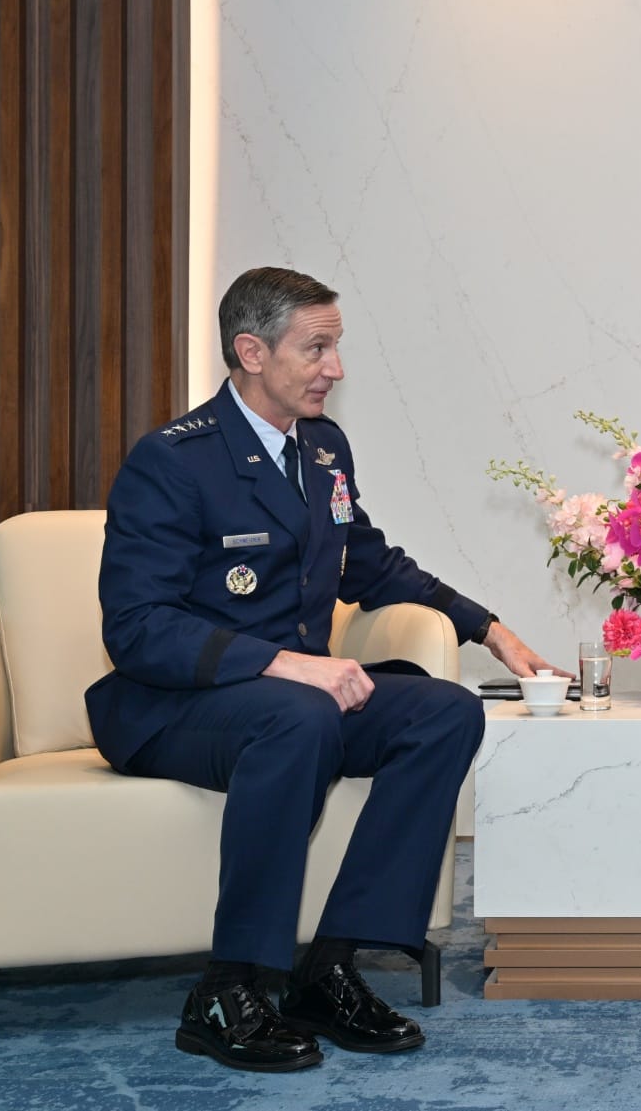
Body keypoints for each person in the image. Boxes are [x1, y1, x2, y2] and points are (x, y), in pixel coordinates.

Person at [87, 266, 564, 1073]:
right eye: (317, 348)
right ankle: (227, 986)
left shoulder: (322, 448)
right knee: (300, 713)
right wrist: (287, 666)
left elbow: (370, 564)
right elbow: (137, 628)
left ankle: (330, 966)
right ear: (250, 351)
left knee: (444, 710)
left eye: (335, 347)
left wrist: (487, 627)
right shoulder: (173, 461)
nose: (334, 368)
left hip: (285, 704)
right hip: (173, 706)